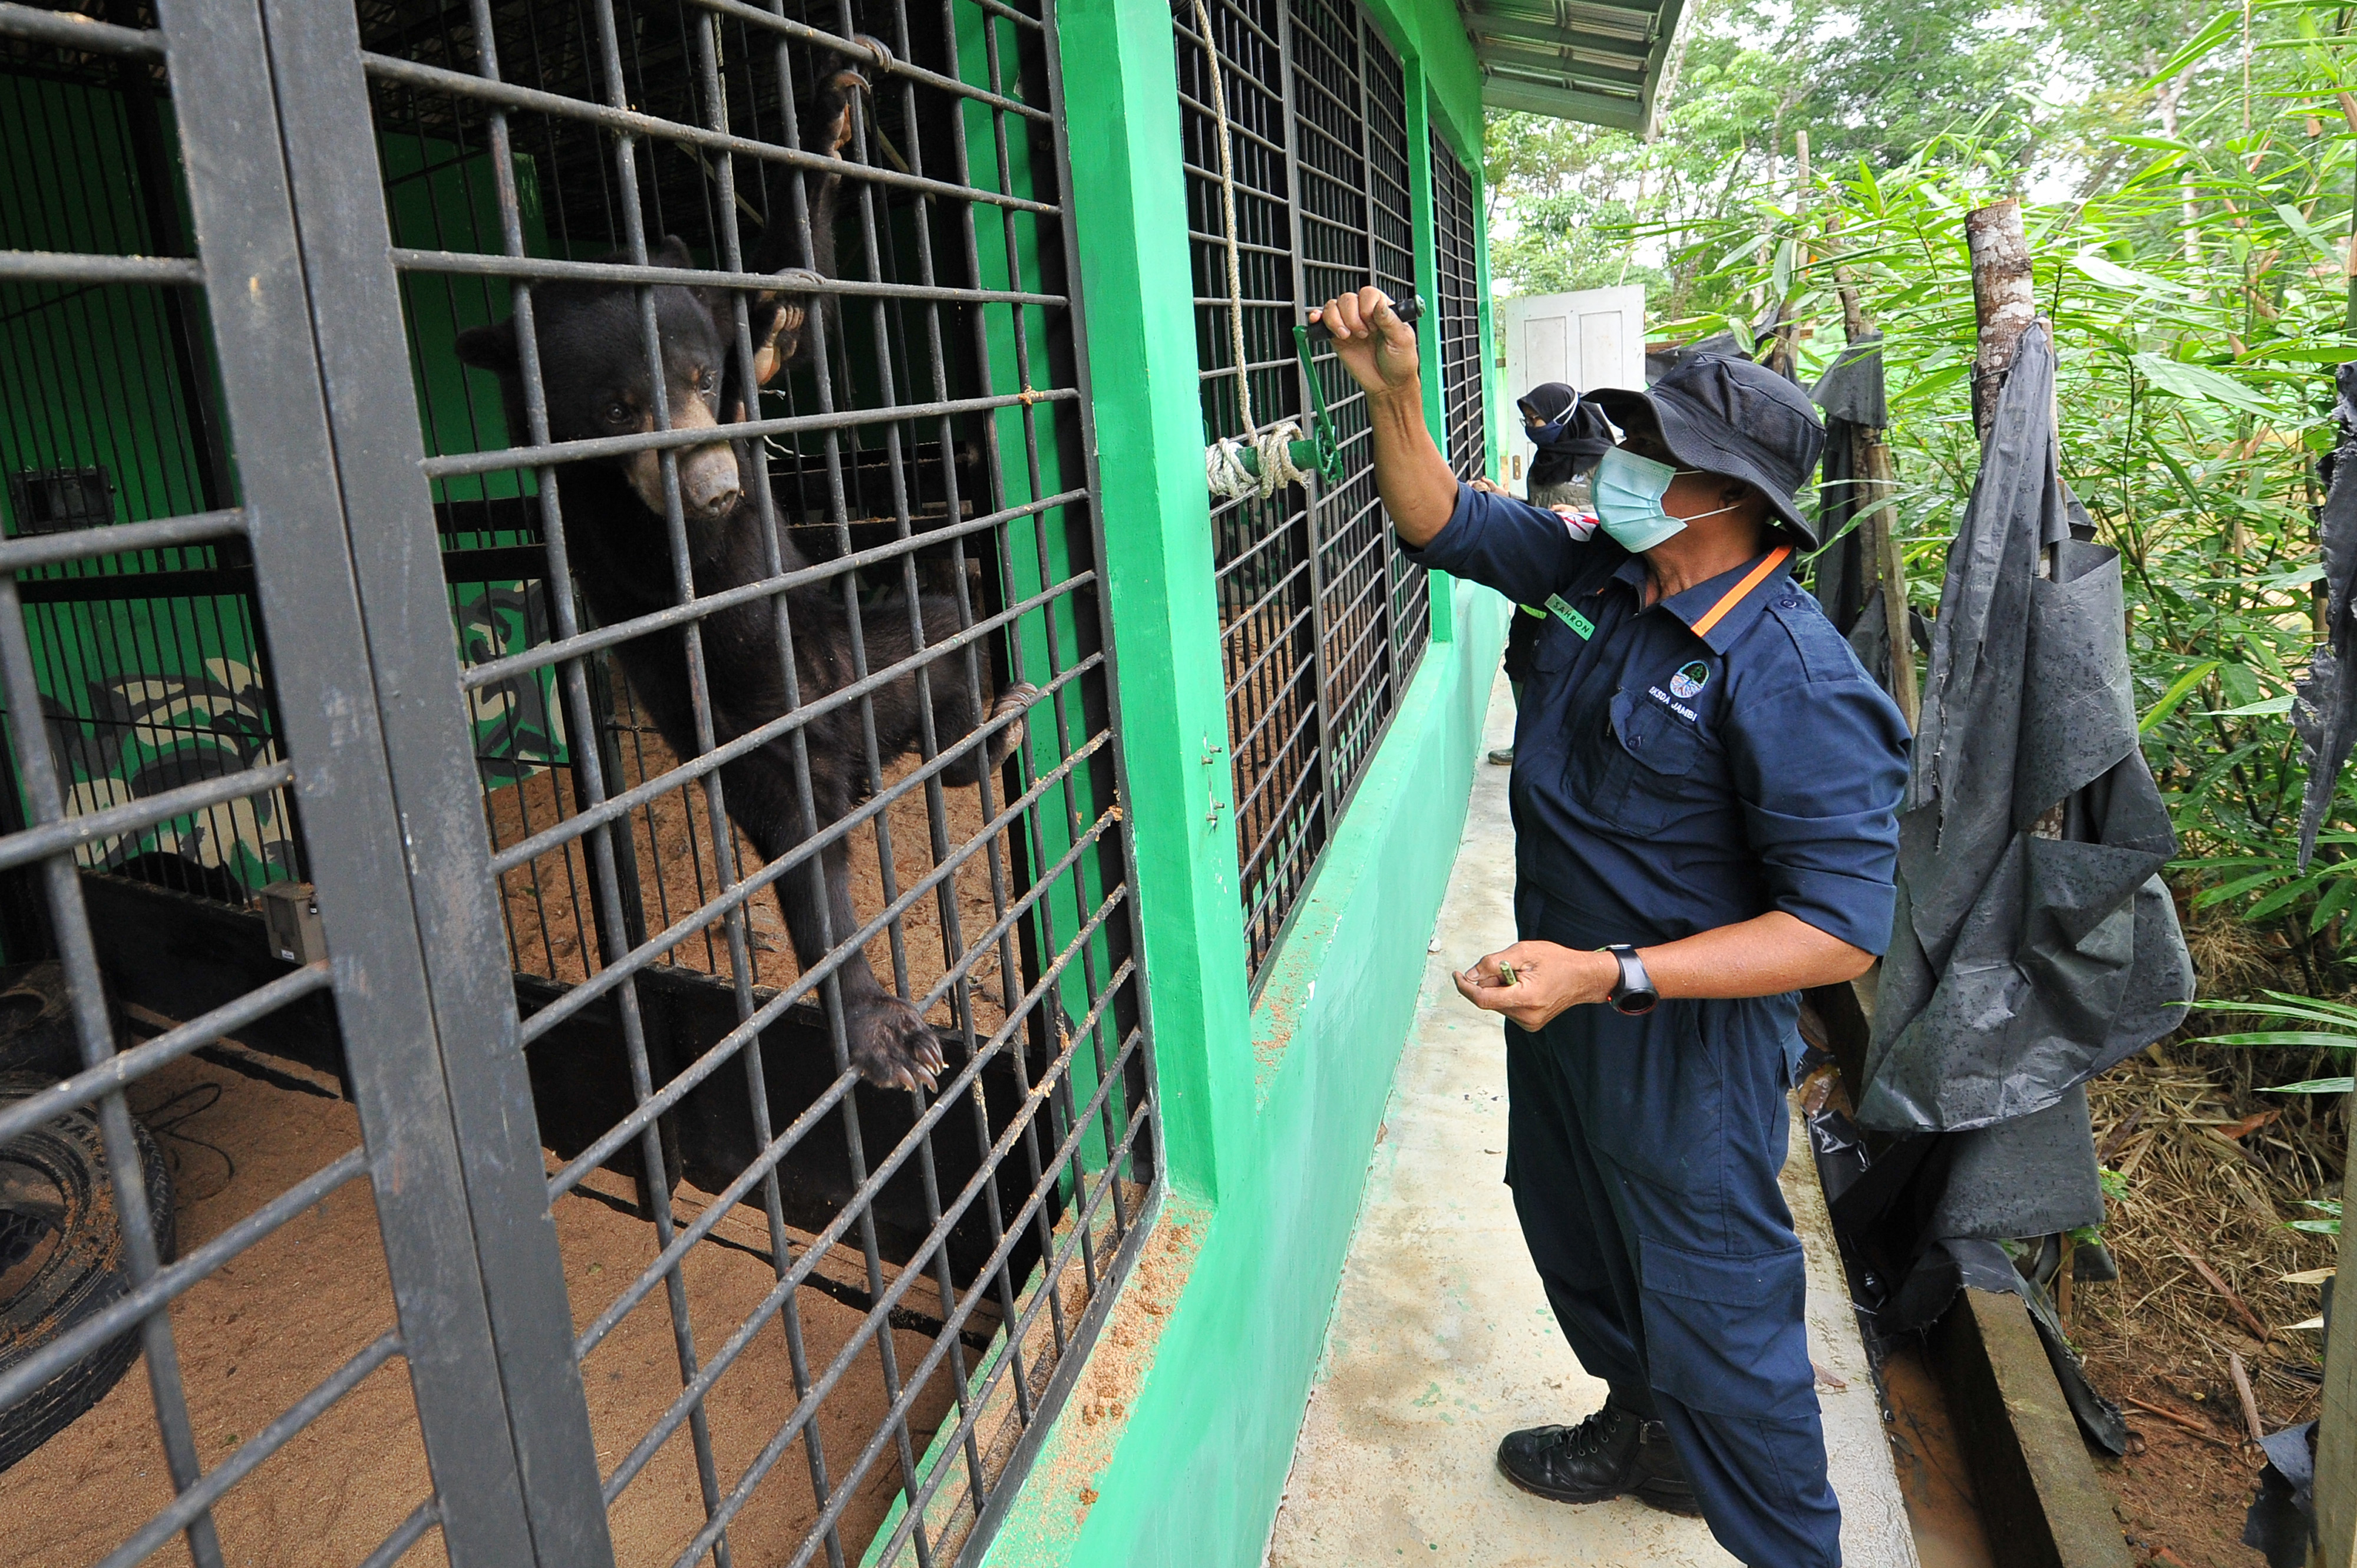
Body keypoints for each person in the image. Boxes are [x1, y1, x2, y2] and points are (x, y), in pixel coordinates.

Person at [1309, 286, 1909, 1568]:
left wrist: (1611, 972)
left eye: (1654, 449)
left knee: (1724, 1324)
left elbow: (1840, 929)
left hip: (1679, 1044)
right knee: (1571, 1226)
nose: (1620, 461)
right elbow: (1438, 520)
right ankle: (1640, 1430)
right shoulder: (1598, 562)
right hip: (1563, 1002)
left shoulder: (1795, 678)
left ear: (1728, 492)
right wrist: (1390, 395)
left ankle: (1789, 1540)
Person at [1487, 384, 1615, 764]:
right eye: (1526, 419)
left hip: (1588, 586)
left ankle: (1581, 746)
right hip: (1541, 584)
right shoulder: (1543, 462)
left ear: (1565, 416)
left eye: (1537, 418)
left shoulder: (1607, 462)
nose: (1532, 426)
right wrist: (1506, 499)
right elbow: (1541, 513)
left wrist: (1578, 516)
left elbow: (1621, 520)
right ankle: (1527, 739)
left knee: (1584, 668)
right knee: (1520, 661)